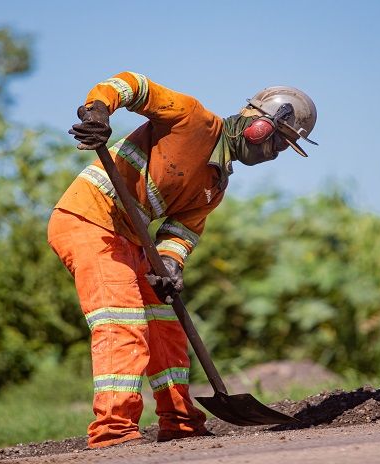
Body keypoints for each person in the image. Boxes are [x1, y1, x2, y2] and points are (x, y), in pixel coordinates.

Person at [46, 71, 317, 448]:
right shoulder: (191, 118)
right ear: (260, 125)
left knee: (165, 325)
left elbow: (181, 232)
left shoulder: (215, 186)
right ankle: (114, 430)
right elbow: (132, 84)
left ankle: (179, 419)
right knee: (121, 322)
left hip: (130, 240)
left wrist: (171, 265)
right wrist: (98, 112)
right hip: (88, 221)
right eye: (279, 143)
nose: (274, 154)